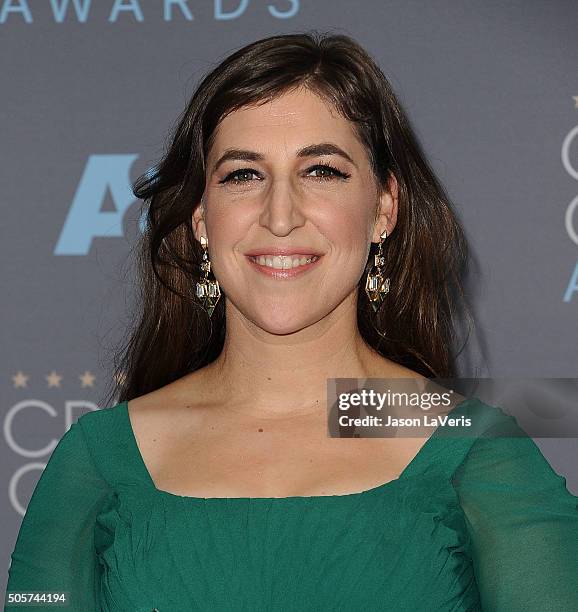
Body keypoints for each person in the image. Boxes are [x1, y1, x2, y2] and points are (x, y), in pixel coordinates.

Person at [5, 31, 578, 611]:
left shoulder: (474, 450)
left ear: (383, 209)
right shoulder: (97, 461)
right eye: (243, 175)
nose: (281, 216)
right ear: (203, 220)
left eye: (321, 171)